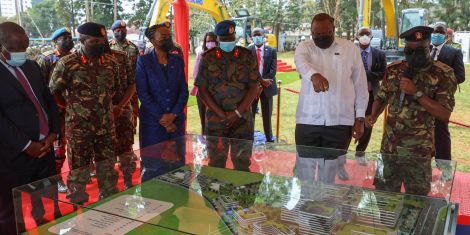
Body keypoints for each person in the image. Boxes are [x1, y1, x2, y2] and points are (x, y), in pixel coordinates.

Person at [367, 26, 457, 195]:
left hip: (418, 153)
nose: (413, 54)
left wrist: (417, 92)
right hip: (389, 150)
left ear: (429, 46)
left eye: (419, 50)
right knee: (384, 198)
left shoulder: (443, 74)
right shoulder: (394, 69)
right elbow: (382, 97)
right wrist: (373, 114)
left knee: (416, 203)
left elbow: (444, 114)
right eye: (409, 50)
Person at [49, 22, 120, 203]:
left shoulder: (111, 63)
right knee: (78, 174)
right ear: (82, 40)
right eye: (95, 41)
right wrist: (71, 107)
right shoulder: (67, 63)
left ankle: (109, 206)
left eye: (102, 40)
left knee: (108, 171)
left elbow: (115, 90)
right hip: (79, 128)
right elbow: (54, 91)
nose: (100, 44)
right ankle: (77, 212)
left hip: (106, 127)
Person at [0, 22, 60, 234]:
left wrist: (53, 133)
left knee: (49, 204)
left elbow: (48, 101)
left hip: (45, 148)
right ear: (1, 46)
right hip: (15, 156)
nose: (22, 53)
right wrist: (26, 145)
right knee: (10, 213)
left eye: (24, 48)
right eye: (16, 49)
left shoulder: (32, 66)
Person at [294, 13, 368, 183]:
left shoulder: (350, 49)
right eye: (316, 34)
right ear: (311, 32)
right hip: (308, 121)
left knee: (330, 173)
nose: (320, 37)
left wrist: (360, 118)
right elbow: (301, 63)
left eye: (325, 33)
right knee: (305, 171)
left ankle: (326, 204)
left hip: (340, 122)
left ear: (334, 29)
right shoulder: (304, 47)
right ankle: (306, 202)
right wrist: (314, 76)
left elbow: (360, 86)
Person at [195, 20, 260, 171]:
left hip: (243, 120)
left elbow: (254, 86)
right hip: (215, 120)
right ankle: (215, 195)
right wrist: (222, 115)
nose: (228, 42)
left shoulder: (247, 55)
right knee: (216, 165)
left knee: (242, 164)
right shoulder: (208, 57)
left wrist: (236, 113)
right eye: (224, 39)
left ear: (235, 36)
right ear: (218, 39)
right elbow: (202, 90)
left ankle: (242, 194)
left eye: (231, 39)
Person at [135, 22, 188, 148]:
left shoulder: (177, 60)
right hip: (153, 122)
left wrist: (173, 114)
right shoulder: (143, 61)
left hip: (176, 121)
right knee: (153, 161)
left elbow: (183, 91)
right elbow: (143, 93)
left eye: (169, 36)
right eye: (163, 36)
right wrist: (163, 118)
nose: (168, 39)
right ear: (153, 40)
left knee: (177, 160)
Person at [36, 27, 74, 193]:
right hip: (54, 113)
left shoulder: (76, 58)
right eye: (63, 38)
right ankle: (56, 179)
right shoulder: (47, 59)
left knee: (76, 145)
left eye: (69, 37)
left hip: (74, 111)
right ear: (55, 41)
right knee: (58, 149)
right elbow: (39, 87)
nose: (67, 40)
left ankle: (82, 172)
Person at [105, 34, 137, 189]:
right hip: (100, 116)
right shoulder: (82, 61)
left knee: (126, 148)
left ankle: (128, 181)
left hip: (123, 111)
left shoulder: (122, 57)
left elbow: (132, 85)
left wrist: (120, 106)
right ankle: (109, 187)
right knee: (105, 152)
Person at [430, 23, 465, 161]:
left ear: (446, 35)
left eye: (440, 32)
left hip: (442, 100)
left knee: (441, 132)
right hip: (422, 98)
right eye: (434, 31)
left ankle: (444, 168)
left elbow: (460, 76)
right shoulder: (424, 49)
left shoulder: (453, 52)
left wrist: (442, 83)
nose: (436, 34)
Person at [352, 27, 386, 160]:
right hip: (352, 95)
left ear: (372, 37)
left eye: (367, 34)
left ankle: (360, 153)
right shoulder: (351, 53)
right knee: (349, 122)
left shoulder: (379, 54)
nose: (364, 36)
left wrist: (366, 75)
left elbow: (383, 73)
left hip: (371, 95)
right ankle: (342, 152)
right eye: (362, 34)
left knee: (367, 123)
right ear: (356, 36)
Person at [110, 20, 140, 136]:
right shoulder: (108, 47)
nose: (121, 32)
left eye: (123, 30)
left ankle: (130, 144)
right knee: (115, 117)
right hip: (115, 91)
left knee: (133, 115)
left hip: (131, 89)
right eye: (118, 31)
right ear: (113, 32)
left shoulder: (133, 47)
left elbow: (138, 68)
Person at [248, 28, 278, 142]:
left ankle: (269, 138)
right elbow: (247, 70)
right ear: (251, 37)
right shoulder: (248, 50)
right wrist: (259, 83)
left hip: (267, 87)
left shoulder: (271, 50)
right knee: (250, 116)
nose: (256, 37)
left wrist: (262, 84)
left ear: (263, 36)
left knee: (267, 115)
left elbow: (273, 71)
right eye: (254, 35)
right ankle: (249, 137)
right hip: (252, 88)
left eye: (258, 34)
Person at [191, 32, 218, 134]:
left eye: (212, 41)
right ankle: (204, 134)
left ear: (216, 42)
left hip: (216, 91)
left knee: (215, 115)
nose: (210, 43)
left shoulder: (220, 54)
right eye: (208, 41)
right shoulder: (200, 54)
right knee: (202, 114)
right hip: (202, 90)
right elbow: (196, 73)